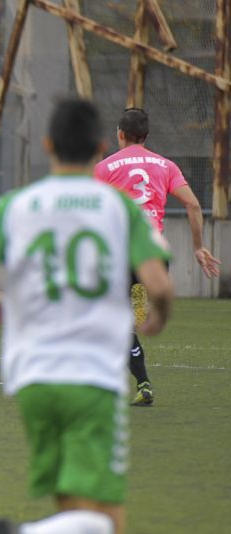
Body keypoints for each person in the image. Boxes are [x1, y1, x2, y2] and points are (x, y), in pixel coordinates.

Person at [0, 98, 173, 534]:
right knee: (109, 516)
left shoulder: (16, 205)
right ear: (98, 147)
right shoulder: (119, 208)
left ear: (48, 144)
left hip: (31, 376)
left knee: (71, 503)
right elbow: (159, 284)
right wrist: (158, 317)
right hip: (91, 376)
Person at [94, 107, 221, 406]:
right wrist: (198, 247)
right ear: (147, 136)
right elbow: (192, 204)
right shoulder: (165, 165)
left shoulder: (105, 168)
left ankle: (140, 381)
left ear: (120, 134)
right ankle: (137, 317)